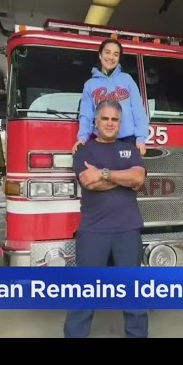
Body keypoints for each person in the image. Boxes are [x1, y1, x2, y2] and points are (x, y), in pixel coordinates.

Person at [64, 100, 148, 338]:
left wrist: (103, 173)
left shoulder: (131, 149)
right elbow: (88, 182)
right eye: (105, 118)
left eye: (115, 119)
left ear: (120, 124)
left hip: (128, 230)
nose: (110, 123)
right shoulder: (84, 151)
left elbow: (138, 179)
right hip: (93, 231)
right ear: (96, 121)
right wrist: (123, 179)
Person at [73, 38, 149, 156]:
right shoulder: (89, 85)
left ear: (119, 59)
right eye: (107, 52)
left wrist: (140, 138)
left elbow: (138, 110)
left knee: (128, 168)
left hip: (128, 141)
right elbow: (86, 115)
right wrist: (82, 138)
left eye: (115, 54)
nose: (111, 57)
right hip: (102, 140)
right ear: (100, 55)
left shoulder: (127, 79)